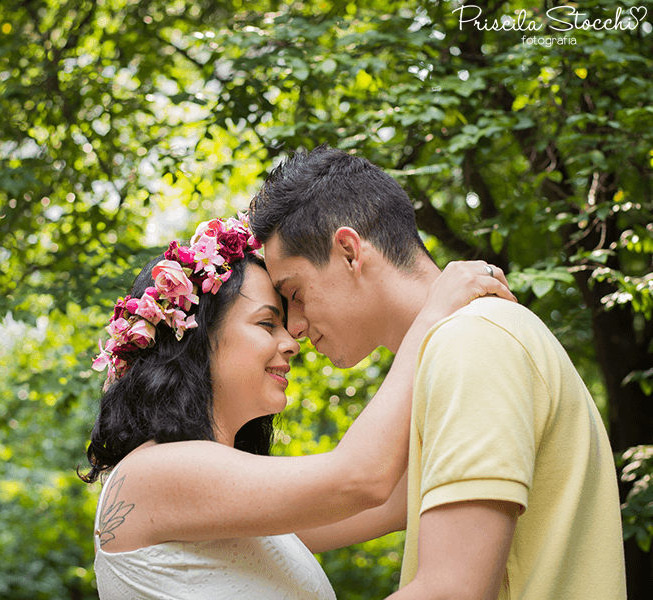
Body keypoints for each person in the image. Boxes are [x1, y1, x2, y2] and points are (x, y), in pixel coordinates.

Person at [248, 144, 627, 600]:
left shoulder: (471, 341)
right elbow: (350, 508)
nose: (296, 327)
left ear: (349, 251)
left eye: (297, 292)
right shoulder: (463, 341)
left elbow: (453, 590)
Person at [80, 214, 514, 599]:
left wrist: (488, 375)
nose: (292, 342)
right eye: (267, 323)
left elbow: (409, 494)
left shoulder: (245, 515)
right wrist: (433, 313)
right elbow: (360, 479)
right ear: (196, 339)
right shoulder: (152, 474)